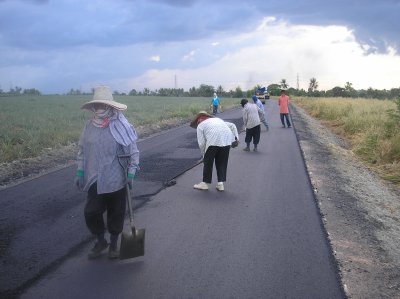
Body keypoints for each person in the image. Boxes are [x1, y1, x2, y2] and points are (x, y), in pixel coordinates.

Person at [75, 86, 139, 259]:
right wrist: (80, 171)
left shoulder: (122, 126)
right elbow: (81, 149)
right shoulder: (88, 126)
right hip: (94, 178)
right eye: (97, 105)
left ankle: (113, 244)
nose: (100, 109)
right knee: (91, 212)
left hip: (117, 178)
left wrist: (132, 172)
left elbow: (133, 151)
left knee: (116, 213)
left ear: (110, 106)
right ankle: (100, 240)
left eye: (103, 105)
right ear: (93, 107)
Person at [190, 111, 239, 191]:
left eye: (198, 122)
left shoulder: (200, 126)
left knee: (208, 163)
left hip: (213, 141)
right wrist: (236, 138)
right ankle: (220, 184)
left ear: (199, 119)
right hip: (226, 141)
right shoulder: (218, 120)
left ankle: (205, 184)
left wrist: (204, 155)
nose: (198, 123)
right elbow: (232, 125)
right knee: (222, 162)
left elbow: (201, 143)